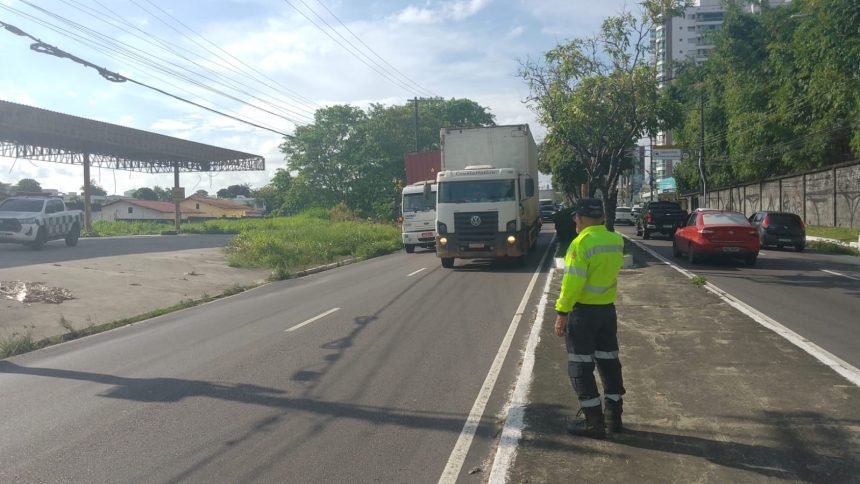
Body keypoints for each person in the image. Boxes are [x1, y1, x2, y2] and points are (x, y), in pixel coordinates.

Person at [554, 198, 625, 438]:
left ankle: (593, 423)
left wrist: (562, 313)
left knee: (580, 366)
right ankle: (614, 418)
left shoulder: (581, 243)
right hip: (607, 311)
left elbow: (572, 283)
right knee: (609, 363)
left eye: (576, 217)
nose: (575, 221)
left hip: (583, 314)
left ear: (582, 218)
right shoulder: (615, 240)